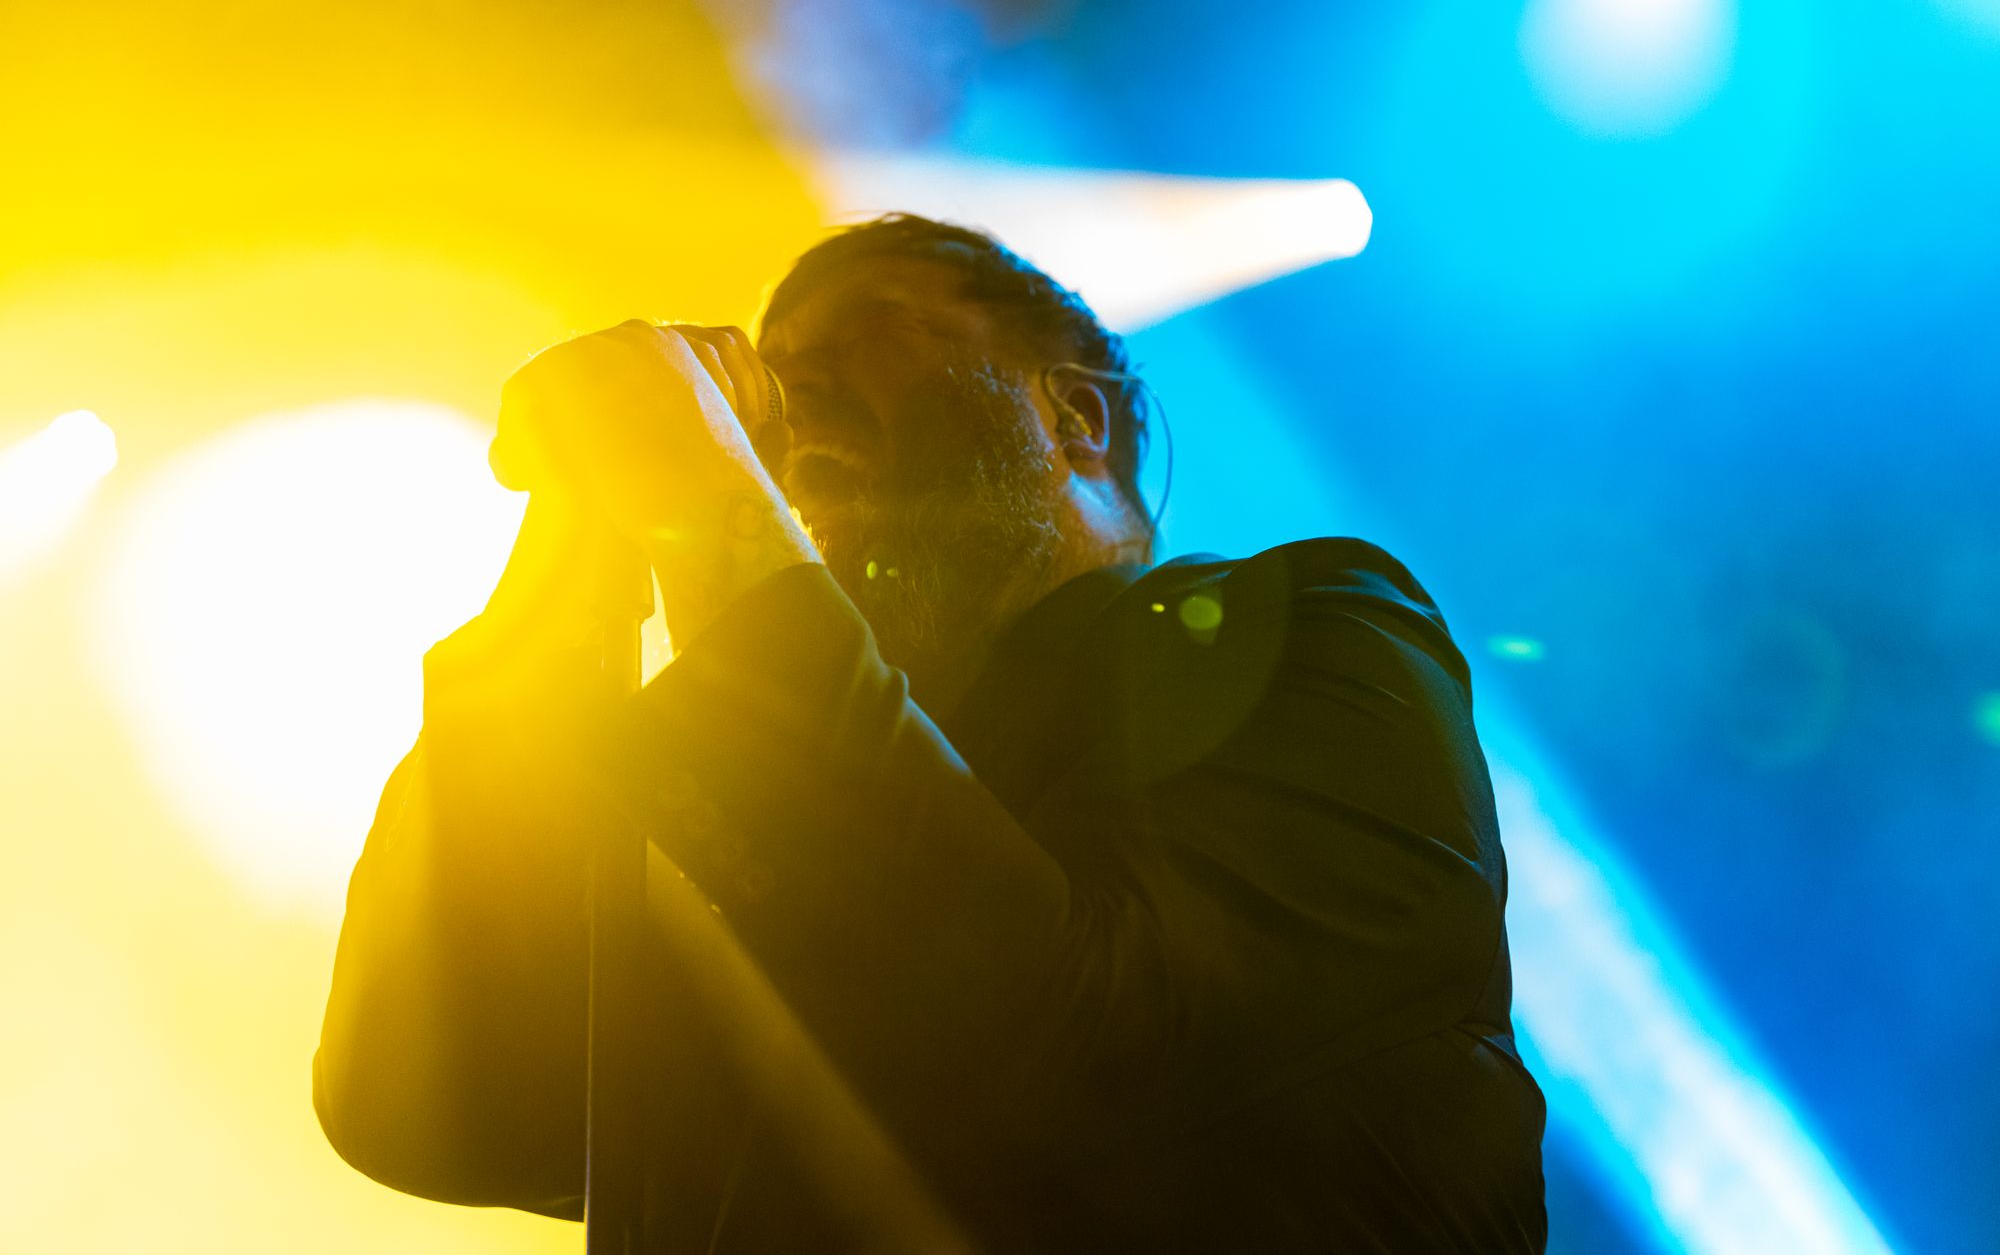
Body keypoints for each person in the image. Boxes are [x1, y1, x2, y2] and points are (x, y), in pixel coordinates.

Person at [313, 214, 1548, 1251]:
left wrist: (710, 496)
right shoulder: (738, 820)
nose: (785, 402)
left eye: (857, 334)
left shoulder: (1313, 629)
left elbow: (1079, 1059)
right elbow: (435, 1108)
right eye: (767, 374)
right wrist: (567, 574)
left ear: (1074, 417)